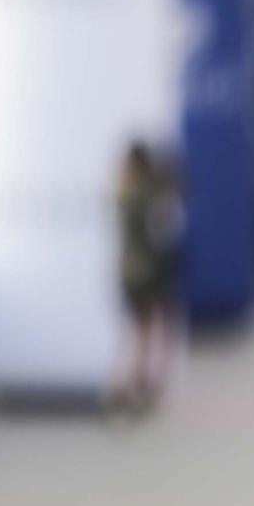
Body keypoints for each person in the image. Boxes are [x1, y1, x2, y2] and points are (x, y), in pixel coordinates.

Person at [114, 141, 181, 413]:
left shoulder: (124, 192)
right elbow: (163, 229)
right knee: (147, 331)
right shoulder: (144, 196)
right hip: (147, 272)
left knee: (139, 330)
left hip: (129, 271)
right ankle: (139, 383)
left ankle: (137, 382)